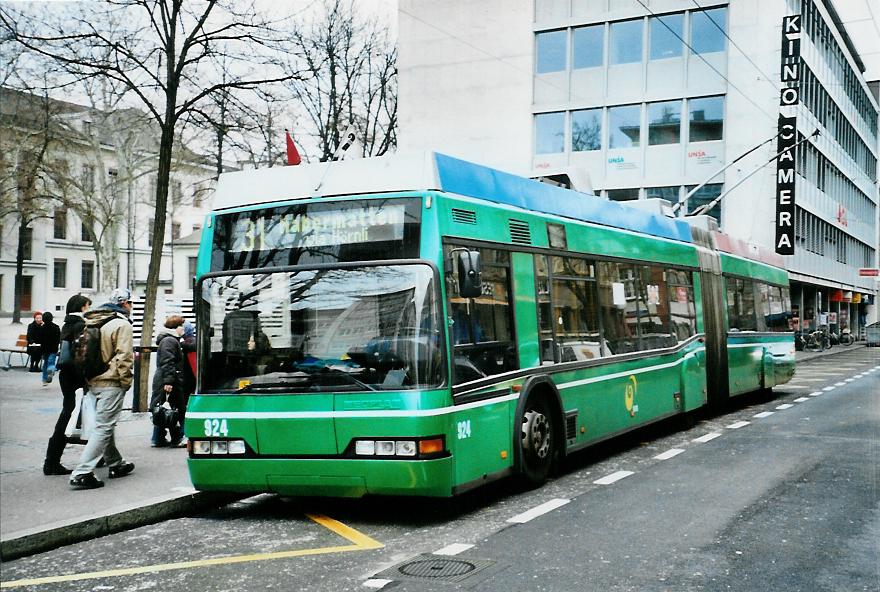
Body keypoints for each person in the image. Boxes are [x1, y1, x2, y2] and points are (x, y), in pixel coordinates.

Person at [69, 288, 136, 490]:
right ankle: (82, 472)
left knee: (104, 424)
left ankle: (115, 463)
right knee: (104, 427)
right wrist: (125, 382)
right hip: (111, 382)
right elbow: (125, 357)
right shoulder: (121, 324)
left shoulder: (92, 321)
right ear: (124, 303)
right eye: (131, 303)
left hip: (92, 380)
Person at [43, 295, 91, 475]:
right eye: (87, 306)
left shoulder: (66, 324)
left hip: (66, 375)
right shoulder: (79, 325)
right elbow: (81, 353)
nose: (89, 309)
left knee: (69, 412)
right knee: (77, 414)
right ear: (82, 307)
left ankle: (51, 460)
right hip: (77, 376)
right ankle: (52, 461)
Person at [150, 315, 186, 448]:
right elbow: (168, 362)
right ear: (176, 327)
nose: (183, 328)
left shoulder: (167, 340)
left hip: (165, 379)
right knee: (173, 410)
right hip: (169, 380)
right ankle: (176, 438)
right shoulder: (170, 341)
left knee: (163, 409)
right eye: (182, 325)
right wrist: (169, 381)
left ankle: (158, 438)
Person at [40, 311, 61, 385]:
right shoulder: (56, 327)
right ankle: (51, 370)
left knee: (45, 363)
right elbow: (59, 338)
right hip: (53, 348)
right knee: (51, 362)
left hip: (44, 349)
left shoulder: (42, 328)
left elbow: (40, 339)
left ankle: (44, 379)